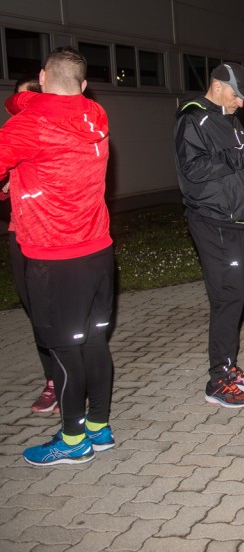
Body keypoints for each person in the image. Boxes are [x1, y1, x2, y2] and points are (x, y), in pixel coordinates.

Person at [1, 47, 117, 466]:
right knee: (94, 342)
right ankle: (99, 427)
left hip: (53, 256)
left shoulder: (28, 124)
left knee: (64, 350)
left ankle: (72, 441)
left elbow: (22, 109)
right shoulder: (96, 116)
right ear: (84, 86)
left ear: (41, 77)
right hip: (99, 250)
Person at [173, 61, 244, 408]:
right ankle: (218, 380)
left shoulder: (227, 118)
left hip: (236, 222)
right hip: (215, 222)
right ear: (217, 86)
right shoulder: (193, 118)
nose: (241, 103)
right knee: (227, 298)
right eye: (237, 95)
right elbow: (194, 169)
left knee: (235, 298)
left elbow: (233, 167)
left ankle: (229, 367)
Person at [3, 76, 60, 413]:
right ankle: (52, 380)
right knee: (37, 312)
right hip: (20, 233)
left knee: (61, 312)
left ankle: (72, 379)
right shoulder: (12, 135)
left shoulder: (54, 132)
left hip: (55, 236)